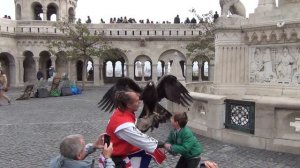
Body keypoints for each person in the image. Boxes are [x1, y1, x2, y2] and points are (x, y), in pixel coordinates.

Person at [104, 91, 165, 168]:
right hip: (116, 159)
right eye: (137, 101)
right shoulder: (123, 124)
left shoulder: (120, 110)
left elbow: (133, 128)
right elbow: (142, 140)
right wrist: (163, 144)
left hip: (119, 149)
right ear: (128, 105)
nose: (140, 102)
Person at [50, 134, 115, 168]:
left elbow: (79, 155)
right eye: (84, 147)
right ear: (78, 155)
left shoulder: (55, 163)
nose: (85, 148)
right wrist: (107, 158)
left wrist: (93, 146)